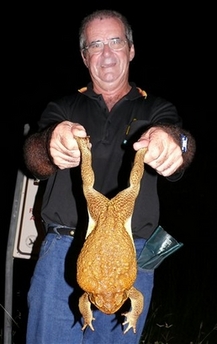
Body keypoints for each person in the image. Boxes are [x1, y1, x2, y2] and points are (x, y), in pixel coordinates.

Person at [23, 9, 196, 344]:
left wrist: (174, 142)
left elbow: (183, 145)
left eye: (115, 42)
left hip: (131, 253)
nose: (106, 53)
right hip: (64, 250)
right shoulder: (64, 106)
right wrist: (49, 143)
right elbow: (32, 159)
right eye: (95, 44)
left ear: (131, 49)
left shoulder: (155, 108)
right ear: (84, 56)